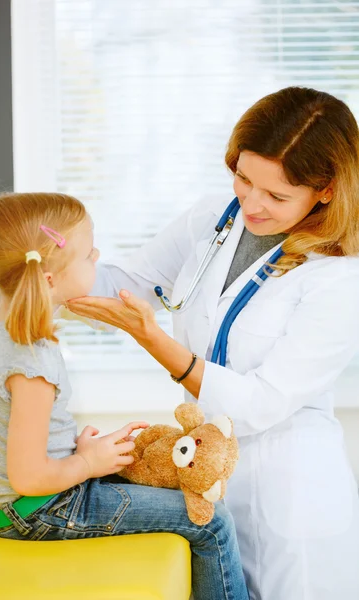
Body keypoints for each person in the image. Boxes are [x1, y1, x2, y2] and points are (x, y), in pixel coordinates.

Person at [64, 86, 359, 600]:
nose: (251, 203)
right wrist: (54, 264)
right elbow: (129, 283)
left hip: (288, 497)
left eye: (277, 195)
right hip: (206, 483)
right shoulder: (214, 219)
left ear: (327, 190)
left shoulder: (341, 278)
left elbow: (262, 403)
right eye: (243, 178)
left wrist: (156, 344)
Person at [0, 192, 249, 600]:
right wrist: (86, 462)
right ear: (49, 277)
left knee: (151, 467)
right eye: (87, 253)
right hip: (35, 511)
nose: (97, 256)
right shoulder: (31, 359)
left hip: (19, 505)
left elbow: (11, 439)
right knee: (212, 521)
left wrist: (74, 452)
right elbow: (27, 477)